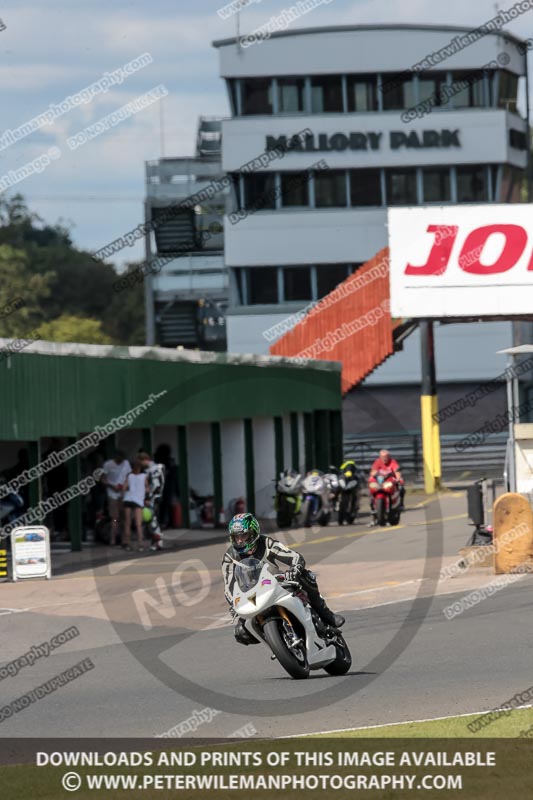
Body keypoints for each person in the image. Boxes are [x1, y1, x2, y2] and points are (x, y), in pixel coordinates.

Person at [222, 512, 345, 646]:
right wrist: (233, 604)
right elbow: (228, 586)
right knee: (241, 632)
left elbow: (294, 557)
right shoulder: (230, 557)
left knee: (306, 576)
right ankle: (276, 642)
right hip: (251, 595)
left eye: (243, 535)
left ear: (253, 533)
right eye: (236, 537)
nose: (240, 541)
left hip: (275, 584)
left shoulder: (266, 543)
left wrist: (295, 570)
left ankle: (326, 615)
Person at [102, 450, 131, 546]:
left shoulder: (126, 463)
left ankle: (123, 539)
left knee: (123, 518)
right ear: (116, 456)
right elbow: (103, 479)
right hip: (112, 494)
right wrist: (111, 486)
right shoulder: (108, 464)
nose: (121, 460)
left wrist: (125, 487)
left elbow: (129, 477)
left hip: (123, 494)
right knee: (115, 518)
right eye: (120, 458)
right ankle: (113, 539)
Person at [138, 450, 165, 551]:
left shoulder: (153, 470)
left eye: (141, 462)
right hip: (157, 496)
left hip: (154, 497)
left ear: (145, 460)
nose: (141, 465)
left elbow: (156, 485)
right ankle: (157, 541)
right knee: (152, 519)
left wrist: (148, 498)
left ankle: (158, 541)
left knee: (152, 519)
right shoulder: (157, 468)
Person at [122, 459, 148, 552]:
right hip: (138, 501)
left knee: (127, 523)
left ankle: (128, 544)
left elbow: (124, 488)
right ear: (140, 468)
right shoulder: (144, 476)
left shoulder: (129, 476)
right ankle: (140, 544)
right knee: (138, 524)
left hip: (128, 499)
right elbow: (147, 489)